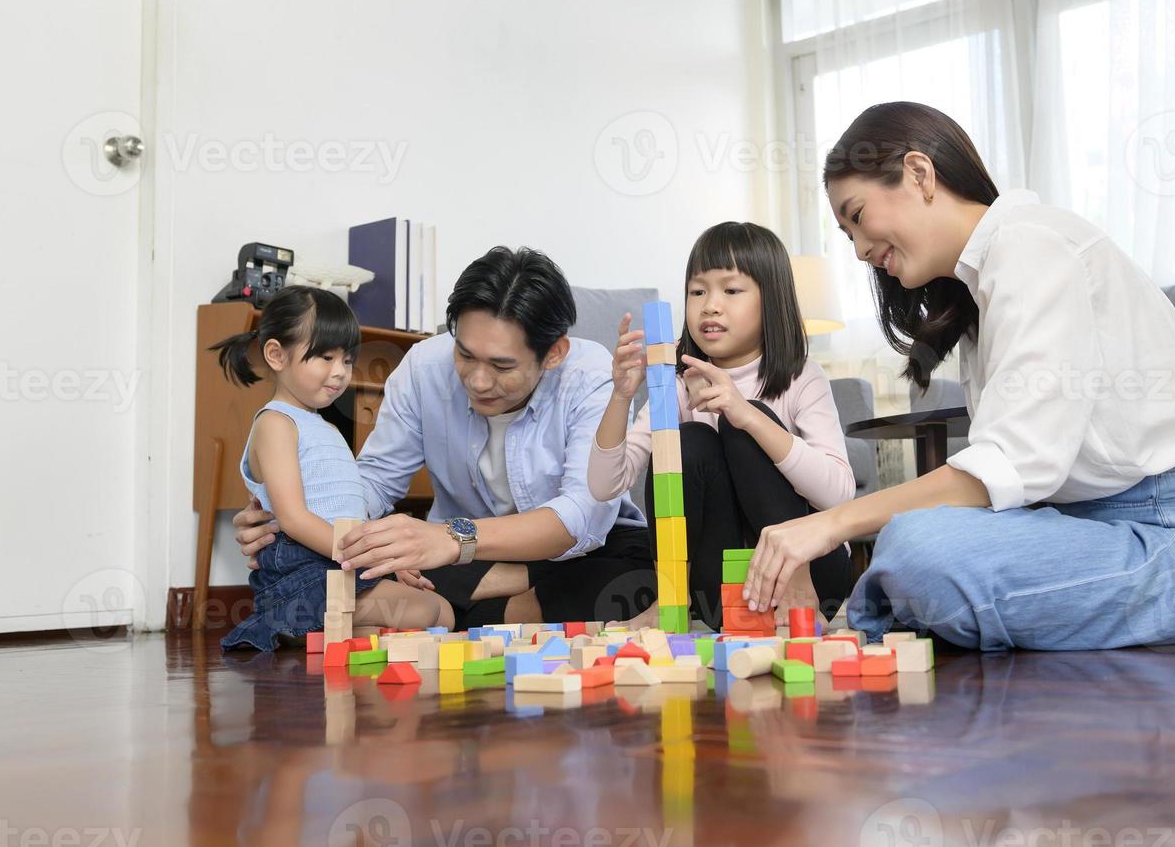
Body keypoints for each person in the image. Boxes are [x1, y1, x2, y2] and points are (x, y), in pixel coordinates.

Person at [742, 101, 1175, 650]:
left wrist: (826, 527)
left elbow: (1017, 461)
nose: (859, 250)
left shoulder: (1031, 243)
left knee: (918, 549)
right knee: (921, 547)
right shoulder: (980, 291)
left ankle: (888, 616)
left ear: (920, 174)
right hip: (1090, 532)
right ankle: (896, 616)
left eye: (856, 217)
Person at [232, 247, 653, 628]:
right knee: (401, 564)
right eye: (465, 355)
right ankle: (519, 605)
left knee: (636, 571)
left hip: (563, 550)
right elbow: (376, 480)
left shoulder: (591, 375)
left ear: (554, 353)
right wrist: (295, 518)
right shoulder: (424, 367)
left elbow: (581, 519)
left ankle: (490, 606)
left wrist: (454, 539)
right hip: (463, 556)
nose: (478, 380)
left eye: (503, 366)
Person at [588, 221, 856, 628]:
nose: (710, 305)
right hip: (722, 590)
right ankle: (668, 600)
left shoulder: (803, 377)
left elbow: (838, 494)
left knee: (743, 423)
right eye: (698, 291)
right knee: (689, 439)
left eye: (731, 290)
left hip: (813, 575)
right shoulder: (679, 385)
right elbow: (605, 486)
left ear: (772, 300)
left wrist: (747, 415)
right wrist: (622, 395)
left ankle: (796, 592)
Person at [211, 286, 453, 650]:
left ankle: (316, 635)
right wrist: (374, 557)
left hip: (337, 564)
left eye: (347, 360)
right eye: (325, 357)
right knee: (431, 612)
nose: (340, 372)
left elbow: (346, 510)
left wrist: (386, 559)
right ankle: (293, 622)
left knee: (441, 615)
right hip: (304, 572)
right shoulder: (276, 423)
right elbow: (292, 519)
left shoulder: (325, 428)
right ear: (276, 355)